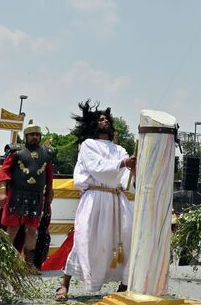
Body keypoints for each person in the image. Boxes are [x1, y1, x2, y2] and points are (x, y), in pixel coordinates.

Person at [55, 101, 136, 301]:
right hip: (95, 198)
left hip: (117, 199)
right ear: (93, 124)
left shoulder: (120, 149)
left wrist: (134, 168)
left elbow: (127, 178)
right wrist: (123, 163)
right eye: (100, 118)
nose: (105, 120)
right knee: (85, 240)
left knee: (126, 239)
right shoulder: (88, 145)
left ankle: (124, 285)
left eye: (107, 118)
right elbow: (97, 167)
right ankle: (64, 285)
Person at [0, 121, 54, 273]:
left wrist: (49, 192)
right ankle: (5, 263)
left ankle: (29, 264)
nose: (34, 137)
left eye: (37, 134)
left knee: (32, 230)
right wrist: (2, 191)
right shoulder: (16, 151)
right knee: (12, 229)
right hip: (16, 195)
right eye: (31, 135)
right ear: (26, 136)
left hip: (36, 197)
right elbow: (5, 172)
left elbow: (49, 176)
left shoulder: (46, 153)